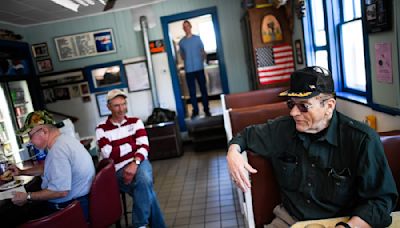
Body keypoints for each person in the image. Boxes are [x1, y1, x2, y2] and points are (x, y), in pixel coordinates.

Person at [227, 66, 398, 228]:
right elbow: (245, 136)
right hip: (290, 220)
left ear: (329, 106)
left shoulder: (362, 140)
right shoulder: (281, 129)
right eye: (291, 104)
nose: (293, 112)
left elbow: (381, 200)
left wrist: (348, 226)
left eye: (303, 106)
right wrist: (233, 152)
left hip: (344, 220)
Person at [96, 89, 166, 228]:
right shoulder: (101, 128)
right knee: (147, 189)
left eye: (123, 104)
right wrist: (132, 145)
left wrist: (134, 162)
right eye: (116, 105)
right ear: (108, 107)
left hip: (140, 162)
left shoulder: (136, 122)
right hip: (118, 170)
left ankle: (139, 225)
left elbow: (144, 146)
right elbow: (109, 155)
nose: (121, 109)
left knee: (144, 179)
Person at [9, 110, 95, 223]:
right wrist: (21, 172)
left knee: (20, 219)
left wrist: (28, 196)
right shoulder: (64, 140)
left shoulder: (58, 150)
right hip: (82, 203)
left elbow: (60, 191)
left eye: (30, 136)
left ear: (44, 131)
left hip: (70, 209)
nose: (30, 142)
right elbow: (49, 168)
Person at [179, 20, 211, 119]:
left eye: (187, 26)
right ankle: (195, 111)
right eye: (184, 27)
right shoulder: (182, 42)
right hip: (189, 70)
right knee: (192, 92)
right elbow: (182, 55)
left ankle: (206, 109)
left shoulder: (197, 39)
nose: (186, 28)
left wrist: (201, 62)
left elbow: (203, 52)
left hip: (199, 68)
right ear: (183, 29)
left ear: (190, 27)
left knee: (203, 90)